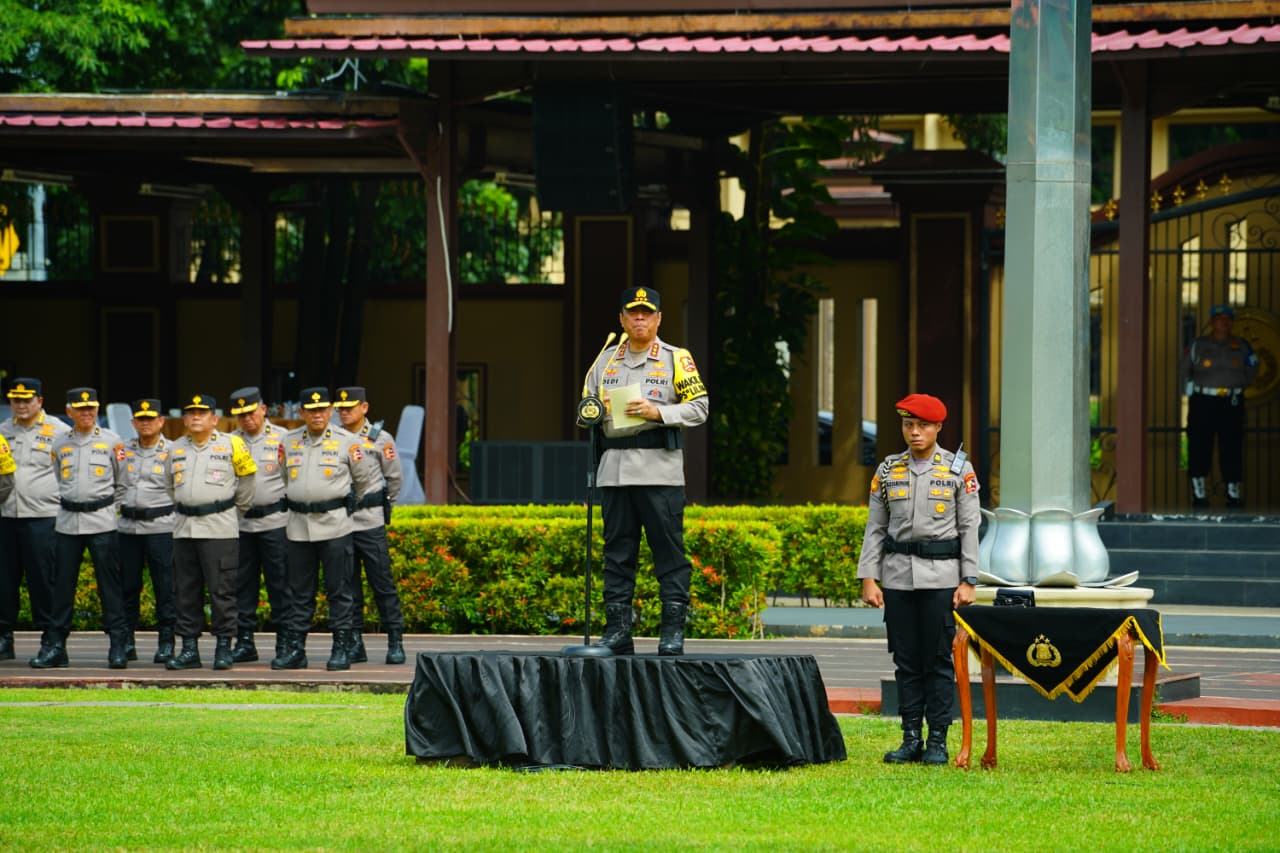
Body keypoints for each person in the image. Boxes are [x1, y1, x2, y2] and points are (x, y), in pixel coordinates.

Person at [580, 286, 709, 656]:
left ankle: (672, 633)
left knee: (668, 554)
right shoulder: (604, 362)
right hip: (614, 471)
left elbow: (699, 407)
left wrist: (659, 413)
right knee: (617, 554)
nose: (639, 318)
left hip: (659, 472)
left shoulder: (675, 359)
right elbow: (587, 407)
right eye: (632, 313)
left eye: (646, 313)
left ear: (658, 319)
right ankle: (618, 632)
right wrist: (592, 411)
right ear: (621, 318)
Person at [857, 393, 979, 767]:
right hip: (897, 580)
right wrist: (868, 577)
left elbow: (970, 526)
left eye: (922, 425)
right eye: (908, 425)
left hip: (942, 580)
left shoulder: (958, 470)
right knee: (906, 661)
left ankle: (938, 740)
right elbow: (875, 528)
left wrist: (969, 578)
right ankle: (911, 738)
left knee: (938, 660)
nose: (915, 432)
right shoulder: (888, 470)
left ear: (938, 427)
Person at [271, 387, 378, 672]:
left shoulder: (347, 441)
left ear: (330, 411)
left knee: (339, 590)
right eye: (311, 410)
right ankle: (296, 649)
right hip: (298, 527)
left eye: (322, 410)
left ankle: (341, 647)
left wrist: (342, 501)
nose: (317, 415)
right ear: (302, 412)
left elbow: (363, 479)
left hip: (334, 524)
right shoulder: (289, 440)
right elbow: (283, 475)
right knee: (298, 591)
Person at [164, 394, 257, 670]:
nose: (195, 417)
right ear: (184, 419)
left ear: (214, 419)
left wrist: (230, 511)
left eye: (202, 413)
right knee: (185, 591)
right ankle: (189, 649)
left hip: (219, 528)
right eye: (191, 413)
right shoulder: (175, 448)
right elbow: (170, 486)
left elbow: (248, 482)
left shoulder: (233, 445)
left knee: (222, 590)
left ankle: (223, 647)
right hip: (184, 528)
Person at [44, 387, 130, 668]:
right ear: (69, 412)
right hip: (68, 522)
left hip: (101, 521)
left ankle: (118, 644)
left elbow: (122, 484)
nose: (87, 413)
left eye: (91, 408)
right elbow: (59, 478)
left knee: (110, 587)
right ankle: (57, 646)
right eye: (80, 409)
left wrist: (106, 509)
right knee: (62, 587)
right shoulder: (58, 443)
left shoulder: (112, 441)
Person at [333, 386, 406, 665]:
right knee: (347, 585)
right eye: (340, 408)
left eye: (350, 407)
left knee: (382, 583)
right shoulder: (334, 438)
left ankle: (395, 640)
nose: (345, 412)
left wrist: (383, 506)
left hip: (370, 520)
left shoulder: (380, 438)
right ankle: (354, 642)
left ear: (364, 408)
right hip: (340, 523)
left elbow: (395, 479)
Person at [1, 378, 70, 664]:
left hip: (44, 518)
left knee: (45, 582)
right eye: (16, 400)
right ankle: (4, 638)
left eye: (27, 400)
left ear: (40, 401)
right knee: (4, 582)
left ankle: (52, 642)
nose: (21, 405)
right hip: (6, 516)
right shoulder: (2, 431)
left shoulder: (61, 431)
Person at [228, 387, 292, 664]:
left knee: (281, 585)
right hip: (241, 524)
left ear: (263, 410)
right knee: (242, 586)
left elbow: (294, 477)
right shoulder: (229, 441)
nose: (247, 419)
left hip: (275, 522)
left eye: (251, 412)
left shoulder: (283, 439)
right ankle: (244, 642)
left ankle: (285, 642)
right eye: (241, 415)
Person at [117, 399, 178, 664]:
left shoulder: (173, 451)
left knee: (165, 587)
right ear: (133, 423)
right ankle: (126, 640)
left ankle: (166, 641)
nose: (145, 423)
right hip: (128, 528)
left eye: (151, 418)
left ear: (161, 421)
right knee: (127, 587)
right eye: (140, 419)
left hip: (161, 527)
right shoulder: (123, 450)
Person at [1181, 304, 1259, 509]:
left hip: (1231, 402)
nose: (1223, 322)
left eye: (1227, 319)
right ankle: (1199, 493)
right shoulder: (1199, 345)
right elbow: (1185, 369)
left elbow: (1252, 368)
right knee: (1199, 444)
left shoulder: (1241, 345)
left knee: (1232, 445)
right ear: (1212, 322)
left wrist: (1238, 385)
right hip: (1203, 401)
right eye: (1219, 318)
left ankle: (1233, 493)